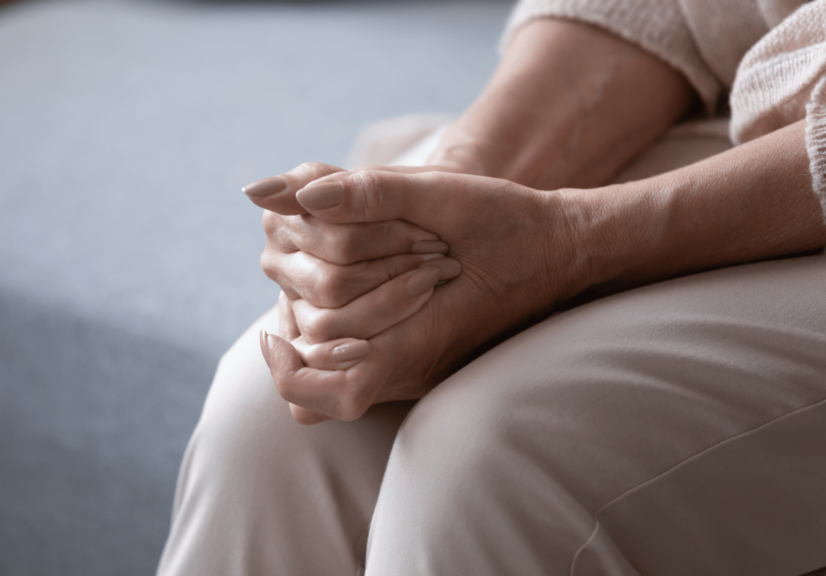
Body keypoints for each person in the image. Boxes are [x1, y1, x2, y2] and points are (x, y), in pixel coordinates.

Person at [157, 1, 826, 574]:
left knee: (489, 456)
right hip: (757, 118)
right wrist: (441, 206)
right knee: (277, 409)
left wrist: (572, 238)